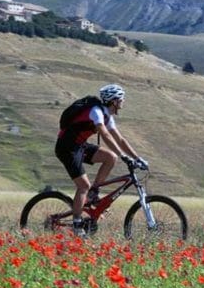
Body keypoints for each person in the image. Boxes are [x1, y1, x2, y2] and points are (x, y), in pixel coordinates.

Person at [55, 84, 148, 237]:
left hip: (79, 145)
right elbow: (105, 135)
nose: (123, 102)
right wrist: (124, 156)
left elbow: (120, 139)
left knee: (111, 157)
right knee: (83, 185)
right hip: (67, 148)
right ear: (114, 101)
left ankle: (93, 193)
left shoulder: (107, 116)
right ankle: (77, 224)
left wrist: (137, 158)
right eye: (121, 99)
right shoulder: (96, 112)